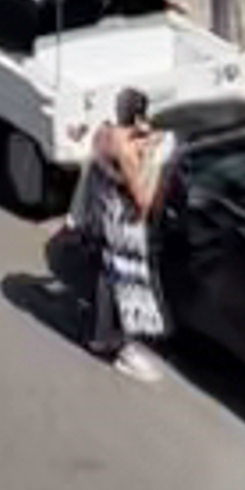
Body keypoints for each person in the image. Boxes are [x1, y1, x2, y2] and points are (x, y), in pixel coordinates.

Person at [85, 95, 173, 378]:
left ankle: (100, 336)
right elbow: (142, 198)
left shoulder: (104, 134)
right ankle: (125, 349)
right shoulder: (126, 150)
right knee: (130, 284)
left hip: (104, 216)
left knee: (108, 278)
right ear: (138, 118)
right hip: (125, 225)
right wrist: (153, 160)